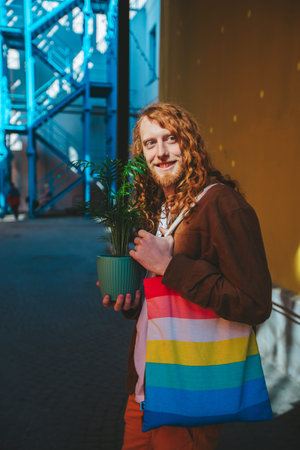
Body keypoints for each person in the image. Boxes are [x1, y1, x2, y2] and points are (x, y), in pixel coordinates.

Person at [103, 103, 272, 449]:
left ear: (189, 143)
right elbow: (165, 300)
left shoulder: (224, 206)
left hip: (188, 393)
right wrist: (132, 301)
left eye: (170, 139)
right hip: (144, 391)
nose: (161, 152)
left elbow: (255, 303)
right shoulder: (158, 208)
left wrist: (171, 267)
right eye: (150, 143)